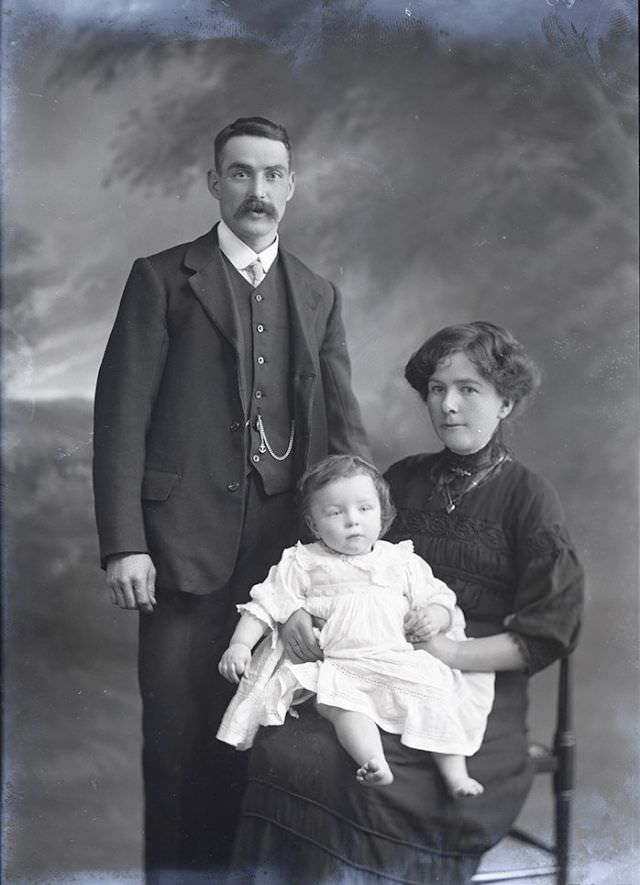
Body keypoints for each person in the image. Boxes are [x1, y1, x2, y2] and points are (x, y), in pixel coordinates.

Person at [92, 116, 369, 885]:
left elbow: (346, 437)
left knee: (266, 748)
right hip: (178, 553)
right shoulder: (161, 278)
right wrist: (124, 541)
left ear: (290, 185)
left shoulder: (316, 294)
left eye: (272, 174)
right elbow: (120, 418)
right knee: (179, 747)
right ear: (215, 182)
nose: (257, 189)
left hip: (283, 565)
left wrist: (352, 562)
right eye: (240, 173)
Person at [228, 321, 583, 885]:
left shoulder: (529, 498)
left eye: (469, 389)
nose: (448, 404)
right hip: (367, 663)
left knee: (344, 765)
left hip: (472, 687)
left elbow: (551, 630)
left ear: (506, 402)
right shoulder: (401, 481)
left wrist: (446, 649)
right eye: (437, 389)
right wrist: (293, 613)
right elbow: (329, 565)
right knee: (292, 743)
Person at [217, 455, 495, 796]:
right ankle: (373, 761)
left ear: (383, 514)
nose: (353, 522)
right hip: (340, 664)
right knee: (342, 705)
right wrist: (240, 645)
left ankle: (456, 775)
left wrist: (436, 615)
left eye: (365, 509)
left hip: (399, 657)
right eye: (336, 513)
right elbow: (266, 605)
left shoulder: (400, 561)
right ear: (315, 524)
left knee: (437, 692)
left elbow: (441, 599)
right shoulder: (303, 562)